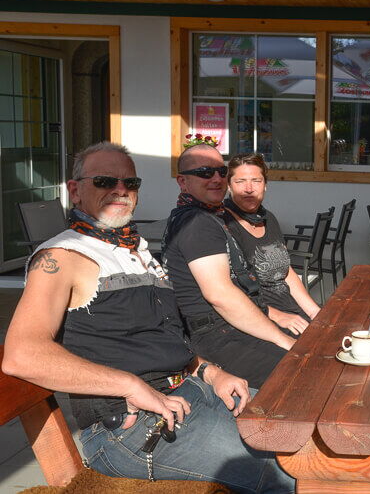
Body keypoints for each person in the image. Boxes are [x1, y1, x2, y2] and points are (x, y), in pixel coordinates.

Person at [1, 143, 294, 492]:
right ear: (75, 190)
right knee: (286, 472)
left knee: (293, 427)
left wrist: (211, 372)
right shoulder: (62, 257)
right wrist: (130, 385)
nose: (120, 190)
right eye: (104, 181)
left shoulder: (137, 251)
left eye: (130, 182)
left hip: (190, 392)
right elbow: (22, 356)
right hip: (131, 427)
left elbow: (160, 340)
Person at [162, 144, 295, 389]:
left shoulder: (209, 215)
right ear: (182, 181)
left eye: (221, 172)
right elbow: (220, 295)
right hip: (216, 336)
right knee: (300, 369)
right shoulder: (196, 222)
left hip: (229, 327)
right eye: (204, 173)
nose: (216, 179)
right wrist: (281, 339)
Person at [224, 152, 320, 328]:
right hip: (257, 317)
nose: (249, 188)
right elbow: (226, 289)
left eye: (256, 181)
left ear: (265, 185)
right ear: (229, 185)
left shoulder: (268, 218)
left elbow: (285, 271)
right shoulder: (223, 223)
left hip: (289, 308)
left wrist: (314, 311)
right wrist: (278, 316)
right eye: (240, 181)